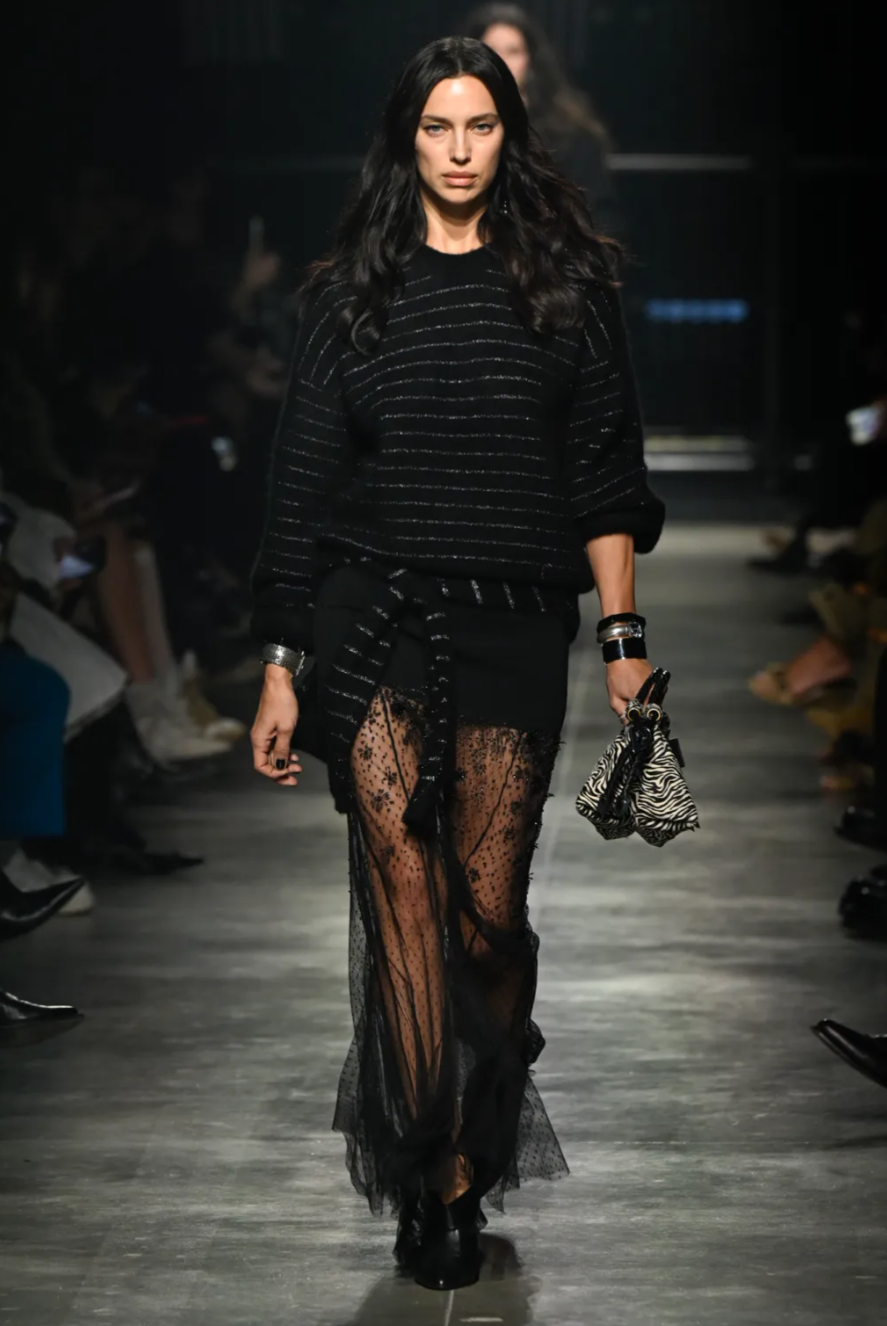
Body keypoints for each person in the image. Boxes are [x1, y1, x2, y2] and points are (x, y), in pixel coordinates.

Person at [250, 37, 663, 1292]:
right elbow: (301, 482)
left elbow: (603, 471)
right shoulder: (349, 295)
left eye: (479, 125)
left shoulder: (567, 287)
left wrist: (623, 638)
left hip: (510, 625)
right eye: (437, 127)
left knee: (484, 923)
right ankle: (436, 1178)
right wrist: (281, 660)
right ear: (405, 140)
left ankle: (492, 1063)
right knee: (403, 904)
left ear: (509, 137)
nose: (459, 149)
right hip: (371, 620)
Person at [462, 3, 621, 237]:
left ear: (530, 62)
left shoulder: (572, 136)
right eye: (491, 50)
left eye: (513, 51)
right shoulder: (449, 130)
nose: (502, 61)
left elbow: (597, 215)